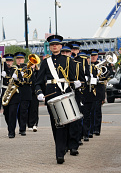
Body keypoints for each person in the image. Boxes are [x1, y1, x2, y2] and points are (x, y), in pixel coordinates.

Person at [35, 34, 80, 164]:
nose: (55, 46)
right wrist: (39, 92)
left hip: (64, 92)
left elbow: (72, 77)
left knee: (66, 123)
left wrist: (77, 83)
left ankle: (63, 149)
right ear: (50, 47)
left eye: (57, 44)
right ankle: (60, 151)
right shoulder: (45, 62)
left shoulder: (68, 60)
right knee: (56, 124)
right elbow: (38, 82)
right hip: (51, 95)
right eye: (52, 45)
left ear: (61, 46)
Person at [14, 52, 31, 136]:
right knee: (13, 113)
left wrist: (24, 79)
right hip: (14, 93)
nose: (19, 60)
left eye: (21, 58)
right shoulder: (13, 69)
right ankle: (12, 129)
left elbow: (33, 81)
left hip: (25, 93)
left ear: (24, 59)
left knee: (23, 112)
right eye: (18, 58)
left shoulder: (28, 69)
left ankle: (22, 129)